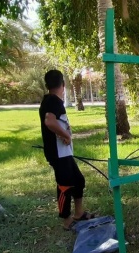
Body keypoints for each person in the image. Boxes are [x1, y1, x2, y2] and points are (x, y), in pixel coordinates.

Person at [39, 69, 95, 231]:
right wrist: (66, 135)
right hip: (58, 154)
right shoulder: (53, 101)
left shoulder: (51, 100)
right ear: (63, 85)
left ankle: (79, 213)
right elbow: (50, 122)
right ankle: (67, 220)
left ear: (47, 85)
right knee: (65, 186)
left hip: (63, 153)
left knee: (78, 180)